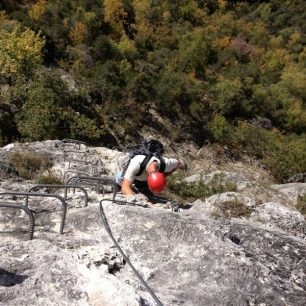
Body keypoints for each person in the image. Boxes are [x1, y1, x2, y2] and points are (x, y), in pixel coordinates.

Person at [115, 140, 179, 200]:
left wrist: (164, 176)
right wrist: (133, 198)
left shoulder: (166, 164)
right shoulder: (137, 162)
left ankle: (140, 187)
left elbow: (177, 163)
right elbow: (125, 187)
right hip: (132, 175)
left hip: (142, 179)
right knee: (118, 177)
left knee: (144, 193)